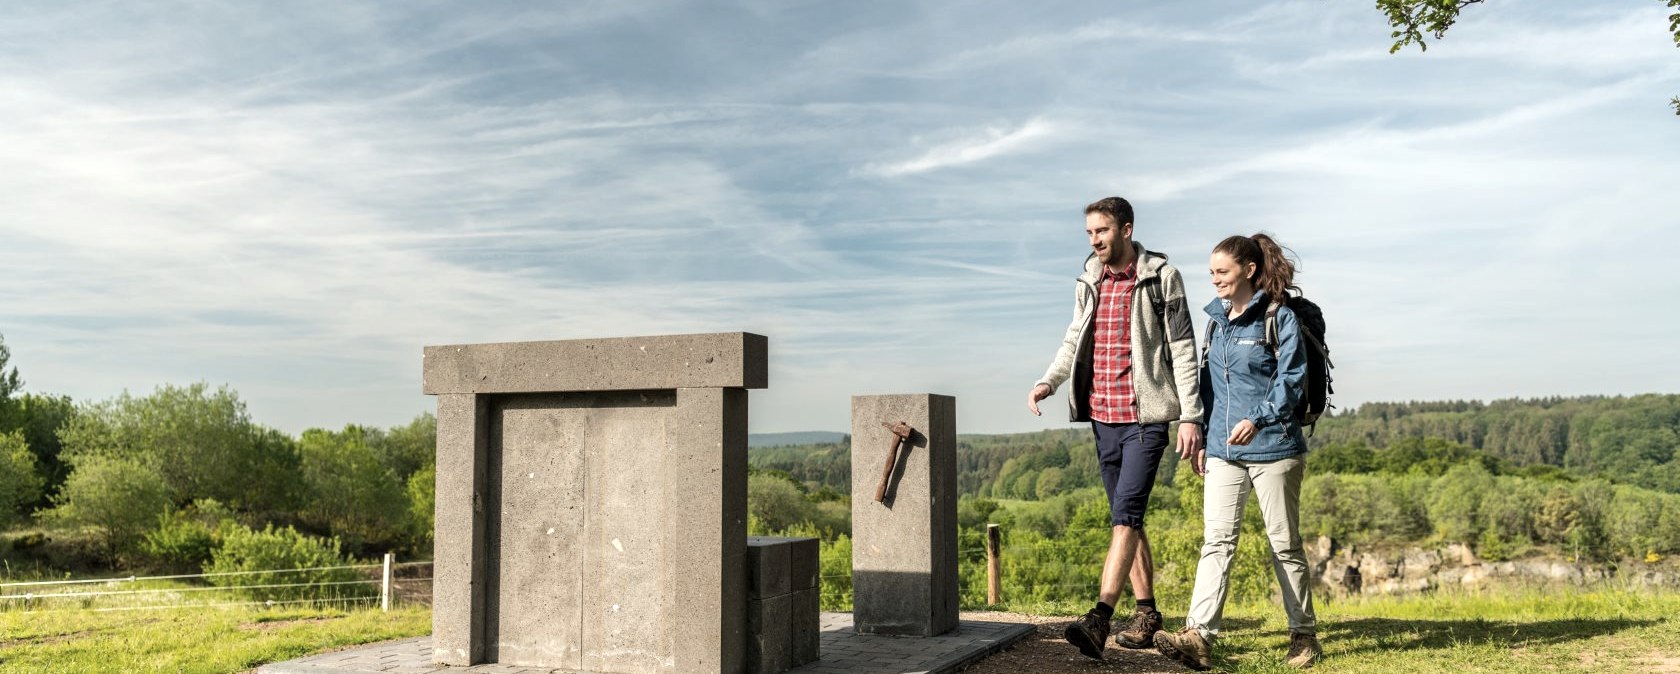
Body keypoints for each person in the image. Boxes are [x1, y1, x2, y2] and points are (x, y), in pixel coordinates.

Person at [1027, 196, 1203, 660]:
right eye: (1089, 233)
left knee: (1125, 515)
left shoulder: (1162, 277)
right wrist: (1049, 380)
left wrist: (1190, 414)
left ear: (1126, 229)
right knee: (1129, 520)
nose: (1094, 240)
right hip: (1101, 418)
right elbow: (1073, 338)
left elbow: (1183, 347)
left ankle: (1099, 617)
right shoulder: (1089, 279)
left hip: (1146, 418)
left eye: (1101, 231)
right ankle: (1147, 614)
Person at [1152, 233, 1321, 671]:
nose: (1215, 281)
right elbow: (1210, 388)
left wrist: (1259, 418)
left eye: (1222, 272)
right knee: (1217, 542)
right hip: (1224, 450)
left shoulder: (1277, 318)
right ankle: (1198, 636)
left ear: (1248, 270)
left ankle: (1303, 635)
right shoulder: (1217, 323)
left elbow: (1292, 378)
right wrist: (1205, 439)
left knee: (1284, 545)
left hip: (1276, 447)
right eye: (1211, 274)